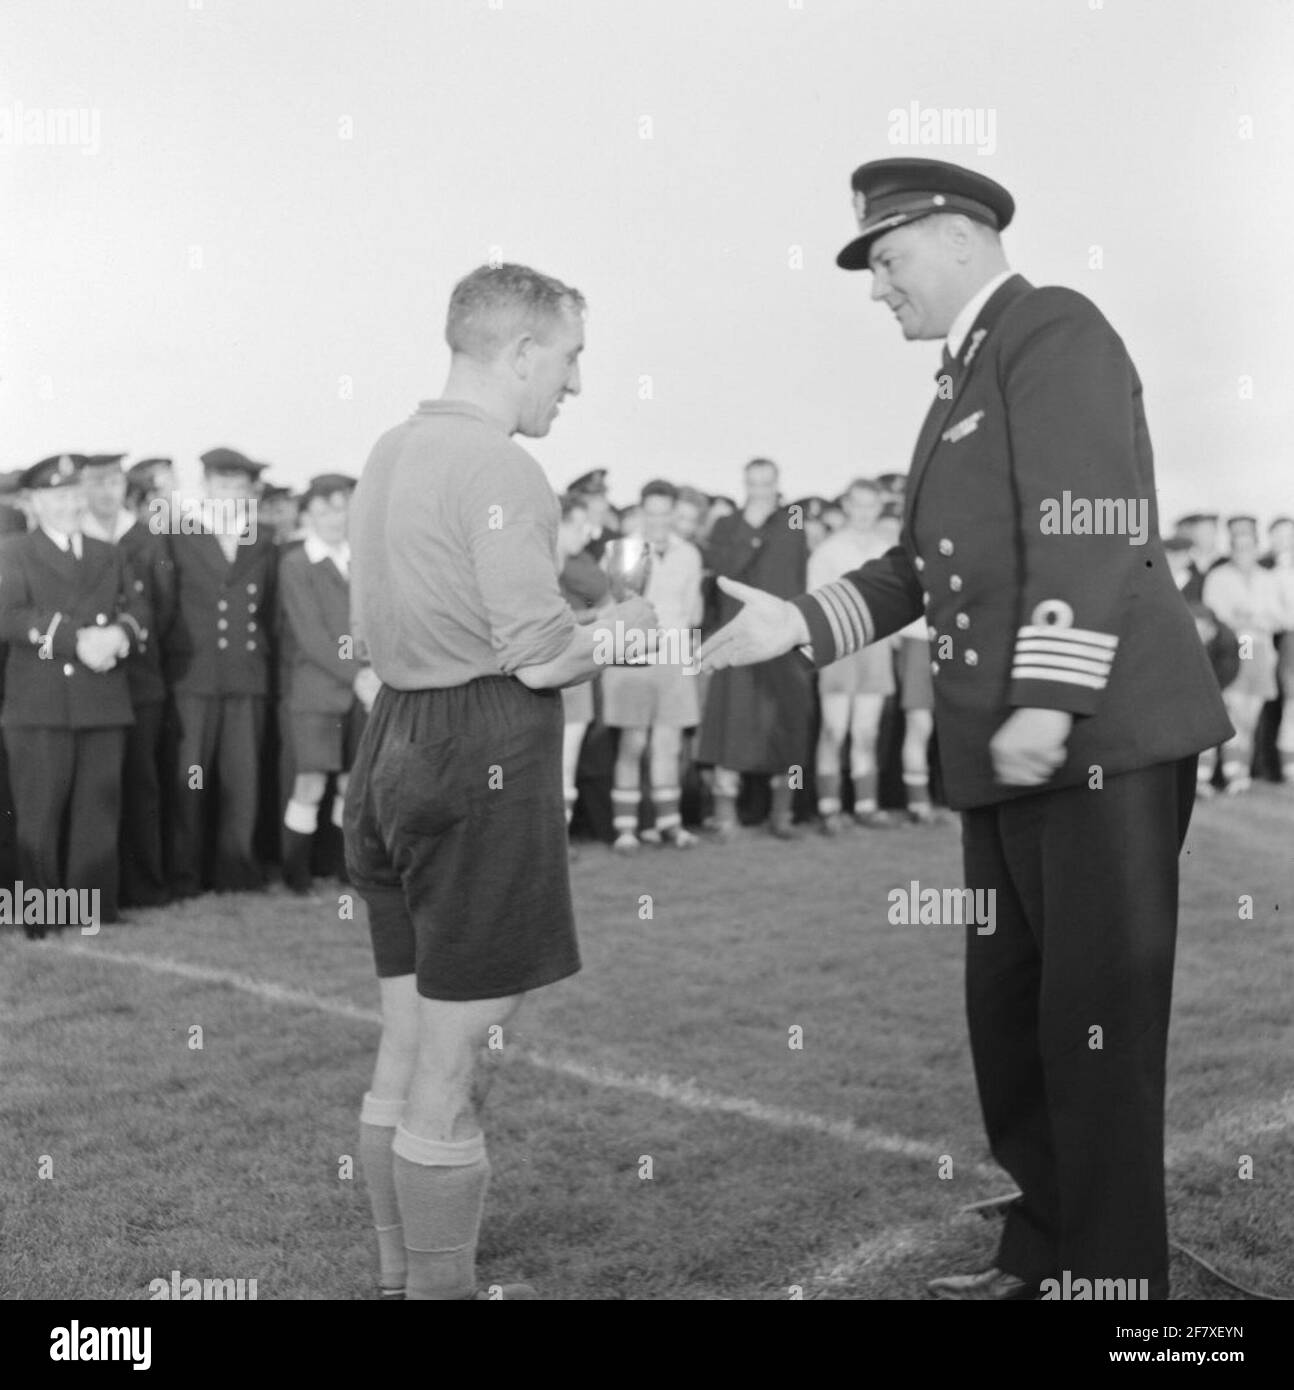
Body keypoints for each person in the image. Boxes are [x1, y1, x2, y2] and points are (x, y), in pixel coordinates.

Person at [700, 157, 1232, 1301]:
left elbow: (1088, 519)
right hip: (1008, 752)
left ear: (954, 236)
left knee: (1093, 1023)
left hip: (1092, 741)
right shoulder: (961, 380)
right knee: (1012, 1022)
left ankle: (1114, 1283)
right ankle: (1041, 1252)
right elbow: (920, 567)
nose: (877, 288)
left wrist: (1046, 696)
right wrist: (793, 625)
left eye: (886, 260)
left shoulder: (1051, 329)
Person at [343, 263, 653, 1301]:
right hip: (474, 744)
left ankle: (398, 1276)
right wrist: (625, 629)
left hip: (390, 739)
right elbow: (537, 652)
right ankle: (436, 1290)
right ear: (520, 352)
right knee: (454, 1057)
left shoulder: (391, 447)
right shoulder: (500, 465)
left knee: (407, 1035)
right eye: (567, 361)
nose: (570, 385)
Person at [0, 454, 150, 932]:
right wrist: (74, 640)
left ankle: (94, 909)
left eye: (72, 495)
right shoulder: (14, 551)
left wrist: (121, 637)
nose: (67, 505)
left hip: (102, 697)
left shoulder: (108, 553)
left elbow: (139, 609)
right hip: (42, 702)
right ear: (34, 502)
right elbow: (9, 618)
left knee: (97, 809)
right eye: (55, 496)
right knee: (40, 812)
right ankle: (41, 914)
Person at [163, 447, 278, 895]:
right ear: (206, 487)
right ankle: (186, 874)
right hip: (193, 673)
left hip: (246, 674)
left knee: (242, 776)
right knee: (190, 776)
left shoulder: (262, 538)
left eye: (240, 488)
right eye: (223, 486)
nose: (232, 495)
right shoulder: (179, 534)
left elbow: (269, 611)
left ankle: (237, 869)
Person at [697, 457, 812, 840]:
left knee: (787, 728)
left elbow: (796, 570)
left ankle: (784, 814)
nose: (760, 491)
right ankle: (725, 815)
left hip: (783, 641)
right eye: (753, 483)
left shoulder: (793, 518)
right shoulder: (728, 524)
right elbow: (724, 569)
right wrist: (751, 526)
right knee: (733, 728)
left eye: (767, 483)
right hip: (738, 639)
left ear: (777, 482)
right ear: (744, 483)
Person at [80, 452, 176, 907]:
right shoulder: (74, 536)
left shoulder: (147, 538)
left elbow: (164, 607)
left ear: (125, 487)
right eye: (95, 483)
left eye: (113, 483)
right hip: (88, 682)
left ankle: (144, 883)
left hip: (140, 680)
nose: (105, 492)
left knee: (142, 782)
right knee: (97, 787)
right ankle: (101, 885)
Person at [278, 473, 379, 892]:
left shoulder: (364, 559)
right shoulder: (296, 564)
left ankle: (341, 866)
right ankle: (295, 873)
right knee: (311, 781)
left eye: (343, 508)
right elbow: (312, 637)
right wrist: (357, 675)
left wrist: (374, 668)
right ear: (308, 515)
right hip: (319, 693)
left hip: (363, 687)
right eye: (325, 510)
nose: (336, 518)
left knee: (351, 783)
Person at [602, 480, 704, 852]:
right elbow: (615, 607)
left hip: (675, 653)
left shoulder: (689, 553)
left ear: (675, 513)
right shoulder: (624, 550)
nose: (658, 521)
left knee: (669, 743)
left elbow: (692, 613)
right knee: (633, 742)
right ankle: (626, 828)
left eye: (666, 513)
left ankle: (669, 824)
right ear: (641, 511)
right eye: (652, 513)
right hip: (633, 654)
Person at [807, 478, 896, 833]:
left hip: (875, 647)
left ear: (879, 507)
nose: (863, 513)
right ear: (846, 505)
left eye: (870, 506)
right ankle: (829, 808)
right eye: (857, 505)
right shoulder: (828, 550)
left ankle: (866, 805)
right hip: (841, 647)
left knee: (867, 732)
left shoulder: (888, 547)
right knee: (834, 729)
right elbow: (814, 604)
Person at [1202, 527, 1285, 793]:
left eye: (1248, 547)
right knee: (1234, 711)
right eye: (1238, 548)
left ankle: (1239, 774)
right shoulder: (1219, 576)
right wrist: (1240, 618)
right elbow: (1213, 613)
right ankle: (1222, 773)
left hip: (1260, 648)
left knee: (1250, 715)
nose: (1243, 554)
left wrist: (1259, 618)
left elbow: (1280, 615)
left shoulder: (1267, 579)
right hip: (1235, 647)